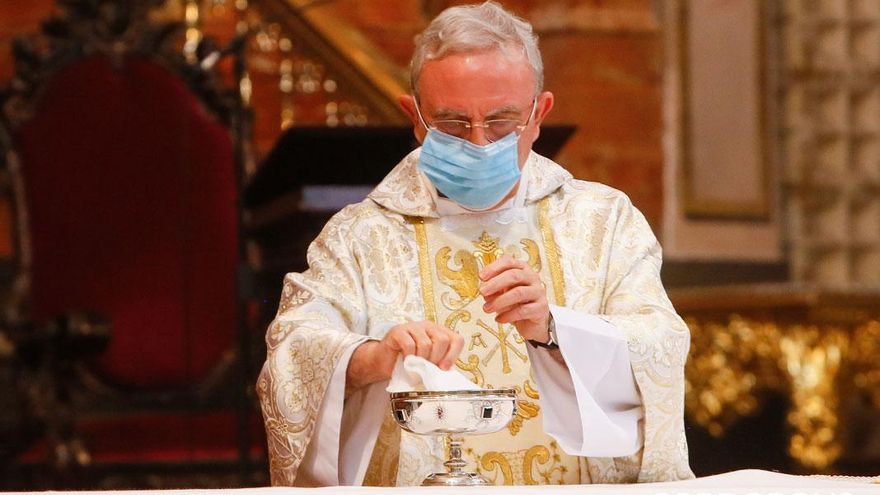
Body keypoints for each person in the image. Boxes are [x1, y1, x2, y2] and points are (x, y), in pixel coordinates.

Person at [258, 1, 693, 486]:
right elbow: (293, 353)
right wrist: (371, 358)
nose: (480, 143)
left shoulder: (603, 222)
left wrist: (553, 330)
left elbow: (660, 346)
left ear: (539, 114)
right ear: (415, 117)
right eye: (453, 125)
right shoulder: (358, 236)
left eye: (502, 121)